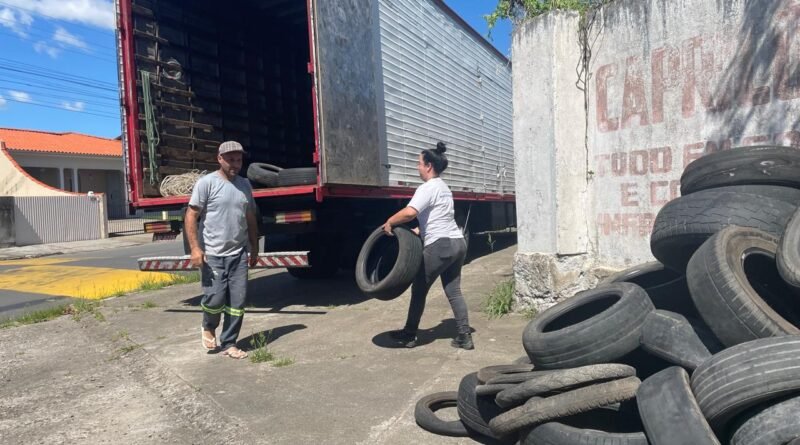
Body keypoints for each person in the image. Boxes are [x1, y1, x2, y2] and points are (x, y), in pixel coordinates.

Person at [382, 142, 473, 350]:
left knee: (419, 288)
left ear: (429, 166)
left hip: (440, 246)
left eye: (419, 163)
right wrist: (420, 231)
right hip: (458, 242)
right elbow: (439, 216)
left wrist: (390, 221)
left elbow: (410, 212)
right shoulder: (444, 188)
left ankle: (410, 334)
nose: (418, 167)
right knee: (454, 290)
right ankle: (464, 336)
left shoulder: (427, 187)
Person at [185, 140, 259, 359]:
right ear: (219, 159)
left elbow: (250, 218)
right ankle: (208, 325)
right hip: (213, 255)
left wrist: (254, 247)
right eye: (230, 160)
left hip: (238, 254)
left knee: (237, 303)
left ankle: (229, 343)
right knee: (215, 299)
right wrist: (195, 249)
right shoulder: (206, 183)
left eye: (238, 159)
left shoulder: (245, 185)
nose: (235, 164)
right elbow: (191, 215)